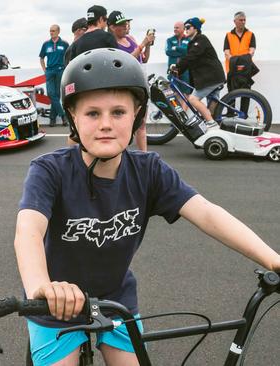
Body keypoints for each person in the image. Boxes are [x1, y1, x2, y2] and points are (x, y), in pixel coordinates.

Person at [14, 48, 280, 366]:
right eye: (92, 113)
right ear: (73, 116)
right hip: (56, 303)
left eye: (118, 112)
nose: (106, 124)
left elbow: (208, 213)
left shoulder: (149, 170)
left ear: (137, 114)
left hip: (116, 298)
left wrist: (275, 261)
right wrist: (41, 288)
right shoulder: (49, 170)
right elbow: (28, 231)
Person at [107, 10, 154, 152]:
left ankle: (143, 156)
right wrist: (143, 44)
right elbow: (125, 61)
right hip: (126, 85)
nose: (125, 27)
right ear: (112, 27)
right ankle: (119, 152)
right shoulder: (112, 43)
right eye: (121, 25)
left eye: (126, 24)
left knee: (142, 123)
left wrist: (148, 45)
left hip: (140, 82)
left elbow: (144, 59)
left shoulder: (131, 39)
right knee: (124, 122)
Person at [173, 17, 226, 128]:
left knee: (192, 99)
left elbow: (191, 57)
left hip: (211, 78)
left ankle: (211, 123)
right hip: (212, 77)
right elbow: (190, 62)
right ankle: (213, 125)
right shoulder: (193, 42)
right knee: (211, 107)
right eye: (185, 27)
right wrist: (179, 70)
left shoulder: (201, 40)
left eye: (188, 27)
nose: (185, 29)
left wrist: (177, 66)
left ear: (196, 28)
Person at [223, 11, 257, 114]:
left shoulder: (250, 34)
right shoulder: (228, 35)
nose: (243, 22)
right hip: (232, 70)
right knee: (231, 95)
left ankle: (244, 116)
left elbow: (252, 51)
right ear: (235, 21)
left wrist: (237, 60)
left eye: (244, 20)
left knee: (246, 94)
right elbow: (227, 53)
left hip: (246, 70)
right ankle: (230, 116)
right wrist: (239, 61)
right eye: (240, 20)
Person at [39, 25, 69, 128]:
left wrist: (66, 68)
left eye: (53, 31)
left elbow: (68, 57)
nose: (51, 33)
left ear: (58, 31)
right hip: (50, 71)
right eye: (50, 31)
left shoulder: (64, 44)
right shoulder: (46, 44)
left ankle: (52, 119)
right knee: (51, 94)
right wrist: (44, 70)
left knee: (56, 95)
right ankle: (63, 116)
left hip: (60, 71)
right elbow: (41, 58)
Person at [166, 21, 191, 92]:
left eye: (177, 28)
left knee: (186, 93)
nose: (175, 29)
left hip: (185, 70)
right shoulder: (169, 40)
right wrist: (183, 52)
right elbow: (168, 52)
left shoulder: (188, 39)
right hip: (172, 70)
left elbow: (187, 51)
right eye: (174, 28)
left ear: (183, 29)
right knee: (173, 92)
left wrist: (176, 48)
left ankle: (184, 103)